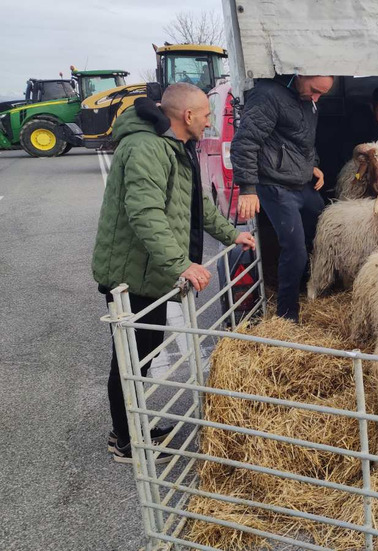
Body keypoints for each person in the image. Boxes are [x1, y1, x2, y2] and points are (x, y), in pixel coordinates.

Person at [92, 83, 255, 463]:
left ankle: (133, 428)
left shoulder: (174, 146)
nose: (210, 121)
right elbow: (145, 213)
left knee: (143, 356)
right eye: (207, 114)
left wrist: (233, 235)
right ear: (188, 116)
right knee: (131, 358)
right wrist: (180, 264)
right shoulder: (147, 148)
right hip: (131, 275)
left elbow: (196, 204)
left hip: (151, 272)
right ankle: (126, 441)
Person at [233, 74, 334, 321]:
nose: (317, 98)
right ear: (302, 75)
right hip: (275, 185)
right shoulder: (267, 95)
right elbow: (245, 142)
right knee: (295, 249)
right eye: (315, 90)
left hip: (301, 184)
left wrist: (314, 166)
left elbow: (304, 143)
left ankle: (310, 285)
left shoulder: (308, 101)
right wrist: (247, 188)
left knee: (326, 223)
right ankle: (287, 315)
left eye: (322, 93)